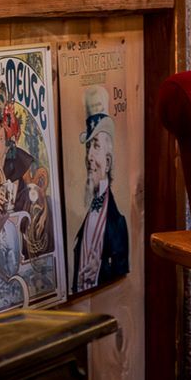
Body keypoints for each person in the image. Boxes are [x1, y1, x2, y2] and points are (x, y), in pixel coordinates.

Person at [71, 85, 130, 292]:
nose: (89, 157)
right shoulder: (86, 218)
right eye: (88, 147)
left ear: (107, 161)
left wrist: (102, 269)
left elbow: (123, 283)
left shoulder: (118, 224)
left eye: (95, 146)